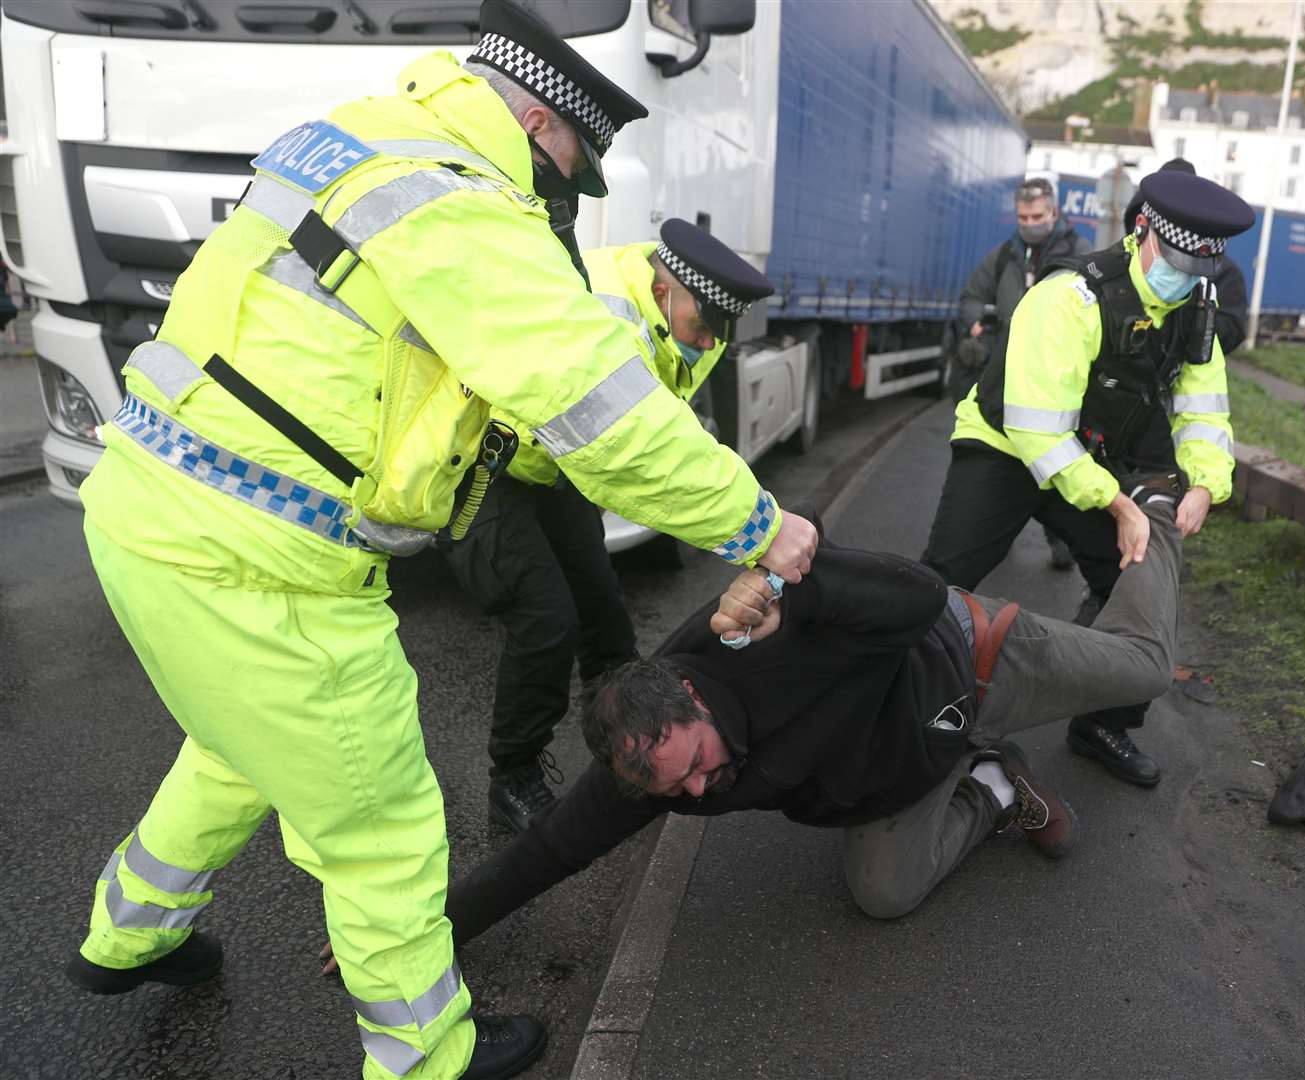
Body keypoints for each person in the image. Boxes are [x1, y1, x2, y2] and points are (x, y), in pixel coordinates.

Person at [60, 2, 818, 1078]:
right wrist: (759, 524)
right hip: (265, 563)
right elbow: (592, 406)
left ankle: (127, 933)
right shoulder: (462, 206)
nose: (563, 193)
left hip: (151, 509)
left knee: (235, 747)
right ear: (545, 122)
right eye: (571, 165)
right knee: (385, 822)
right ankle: (425, 1055)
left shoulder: (363, 137)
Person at [401, 479, 1182, 952]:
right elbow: (548, 850)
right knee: (883, 898)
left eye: (700, 765)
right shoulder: (652, 763)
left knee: (1142, 668)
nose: (702, 792)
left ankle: (1158, 517)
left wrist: (788, 584)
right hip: (909, 767)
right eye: (681, 790)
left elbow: (914, 593)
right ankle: (995, 782)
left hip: (974, 664)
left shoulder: (754, 628)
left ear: (695, 696)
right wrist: (433, 934)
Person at [920, 170, 1253, 790]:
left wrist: (1207, 483)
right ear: (1142, 232)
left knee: (1131, 579)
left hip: (1088, 458)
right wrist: (1118, 504)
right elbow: (1038, 430)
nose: (1182, 276)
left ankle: (1102, 722)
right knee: (941, 580)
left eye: (1196, 268)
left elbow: (1204, 405)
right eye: (1175, 259)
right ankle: (911, 705)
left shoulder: (1194, 310)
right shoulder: (1072, 296)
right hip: (1004, 446)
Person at [443, 219, 774, 831]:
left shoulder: (695, 325)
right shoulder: (605, 308)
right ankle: (510, 779)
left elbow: (663, 420)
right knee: (545, 619)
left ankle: (630, 749)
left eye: (715, 333)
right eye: (700, 328)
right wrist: (746, 532)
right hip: (488, 460)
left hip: (556, 466)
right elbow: (624, 452)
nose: (706, 345)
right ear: (663, 293)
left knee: (605, 616)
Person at [955, 176, 1091, 570]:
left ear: (1054, 213)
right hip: (1005, 373)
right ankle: (996, 531)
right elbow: (971, 297)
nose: (1029, 222)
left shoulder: (1080, 254)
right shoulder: (1003, 256)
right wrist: (977, 324)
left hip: (1053, 375)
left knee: (1051, 457)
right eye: (1022, 216)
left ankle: (1061, 538)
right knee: (1003, 460)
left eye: (1037, 216)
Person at [1122, 158, 1249, 358]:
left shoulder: (1224, 273)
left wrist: (1193, 330)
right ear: (1141, 225)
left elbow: (1232, 329)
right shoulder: (1107, 272)